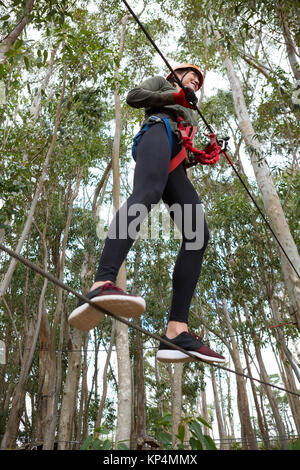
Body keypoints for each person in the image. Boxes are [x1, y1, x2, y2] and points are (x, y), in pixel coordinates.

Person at [68, 63, 225, 364]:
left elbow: (187, 151)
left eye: (199, 81)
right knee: (146, 194)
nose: (196, 81)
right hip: (157, 132)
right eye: (192, 76)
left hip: (176, 157)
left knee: (198, 235)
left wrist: (206, 150)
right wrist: (178, 97)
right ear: (175, 76)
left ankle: (176, 330)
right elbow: (134, 96)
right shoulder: (163, 85)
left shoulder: (189, 111)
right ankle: (101, 283)